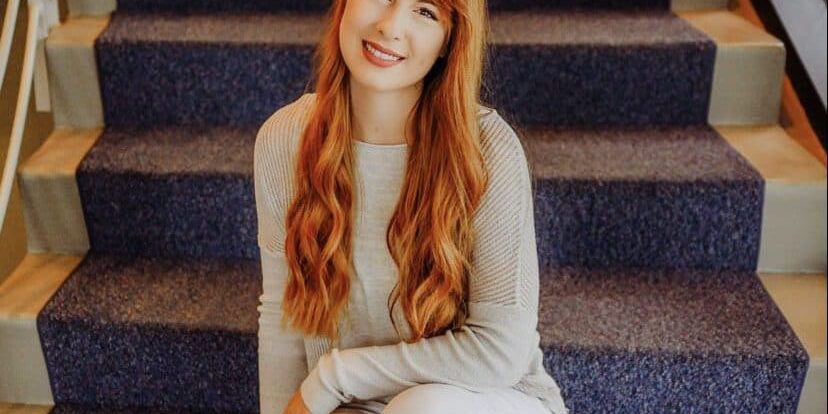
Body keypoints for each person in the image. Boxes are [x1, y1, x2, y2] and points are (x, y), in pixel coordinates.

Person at [254, 0, 570, 413]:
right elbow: (284, 311)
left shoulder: (488, 150)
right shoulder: (285, 139)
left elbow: (499, 352)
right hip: (359, 405)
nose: (390, 25)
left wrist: (334, 378)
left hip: (485, 398)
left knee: (421, 407)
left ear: (447, 41)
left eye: (425, 11)